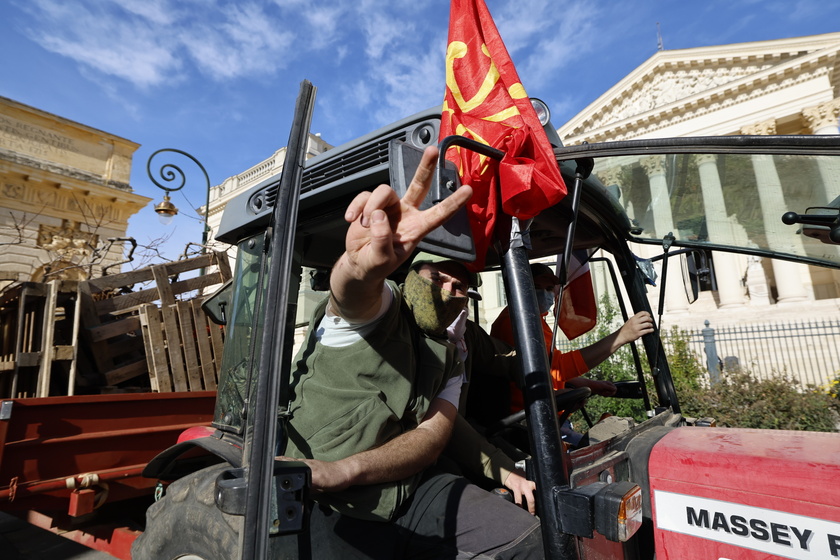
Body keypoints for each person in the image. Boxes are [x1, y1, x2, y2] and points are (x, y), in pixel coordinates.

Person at [278, 146, 544, 559]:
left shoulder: (451, 353)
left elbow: (434, 433)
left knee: (531, 543)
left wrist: (506, 472)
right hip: (328, 496)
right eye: (436, 277)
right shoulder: (379, 311)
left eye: (459, 288)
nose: (448, 291)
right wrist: (357, 267)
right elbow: (351, 295)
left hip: (409, 486)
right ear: (410, 273)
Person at [488, 262, 654, 432]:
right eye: (536, 286)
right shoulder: (515, 322)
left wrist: (590, 384)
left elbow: (547, 369)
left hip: (545, 417)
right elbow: (558, 367)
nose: (544, 293)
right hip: (527, 424)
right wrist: (621, 337)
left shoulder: (534, 319)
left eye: (549, 288)